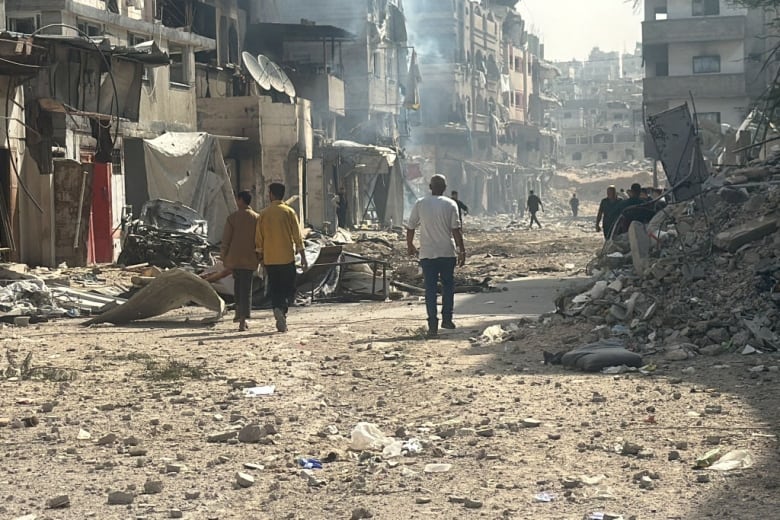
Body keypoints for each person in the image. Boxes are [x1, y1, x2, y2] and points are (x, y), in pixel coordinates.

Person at [407, 174, 466, 338]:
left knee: (430, 289)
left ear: (430, 187)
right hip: (447, 253)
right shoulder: (451, 204)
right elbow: (456, 230)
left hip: (427, 254)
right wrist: (462, 250)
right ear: (445, 188)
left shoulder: (420, 203)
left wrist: (410, 245)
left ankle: (432, 323)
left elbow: (410, 226)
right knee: (448, 286)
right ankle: (447, 319)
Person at [255, 183, 308, 333]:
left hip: (270, 259)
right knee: (288, 288)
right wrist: (303, 257)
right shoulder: (289, 212)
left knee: (275, 288)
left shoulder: (263, 214)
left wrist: (260, 258)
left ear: (271, 194)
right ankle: (283, 310)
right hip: (286, 258)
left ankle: (277, 308)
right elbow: (297, 237)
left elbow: (259, 239)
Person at [221, 190, 260, 332]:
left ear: (241, 200)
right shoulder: (256, 218)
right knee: (246, 289)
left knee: (237, 287)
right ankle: (243, 318)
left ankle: (239, 315)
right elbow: (260, 240)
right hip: (250, 259)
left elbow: (226, 240)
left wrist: (223, 256)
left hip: (235, 259)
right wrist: (260, 257)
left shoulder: (232, 218)